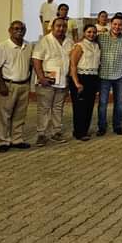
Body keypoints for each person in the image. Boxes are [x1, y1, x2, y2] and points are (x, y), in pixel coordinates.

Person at [0, 21, 33, 152]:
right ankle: (3, 141)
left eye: (22, 29)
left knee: (20, 114)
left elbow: (30, 66)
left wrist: (28, 82)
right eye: (16, 28)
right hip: (8, 85)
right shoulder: (2, 47)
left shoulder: (28, 46)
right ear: (10, 30)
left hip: (23, 85)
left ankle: (17, 139)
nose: (19, 31)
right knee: (4, 115)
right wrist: (1, 85)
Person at [32, 17, 74, 147]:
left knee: (58, 108)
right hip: (46, 81)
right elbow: (36, 60)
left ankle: (56, 132)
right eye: (58, 26)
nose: (61, 28)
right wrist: (41, 77)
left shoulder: (69, 41)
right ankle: (41, 134)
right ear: (52, 27)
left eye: (64, 26)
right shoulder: (44, 41)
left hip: (62, 81)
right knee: (44, 108)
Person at [97, 15, 122, 136]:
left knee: (119, 103)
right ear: (110, 24)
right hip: (104, 75)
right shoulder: (101, 37)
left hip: (119, 75)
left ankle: (117, 126)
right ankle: (102, 127)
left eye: (120, 25)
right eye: (115, 24)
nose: (117, 27)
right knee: (103, 103)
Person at [67, 23, 100, 141]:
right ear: (84, 33)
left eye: (94, 32)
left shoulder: (96, 45)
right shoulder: (79, 46)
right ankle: (79, 132)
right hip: (80, 77)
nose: (91, 34)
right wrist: (76, 82)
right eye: (89, 32)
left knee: (89, 106)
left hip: (93, 77)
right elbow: (73, 65)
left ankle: (85, 130)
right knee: (79, 107)